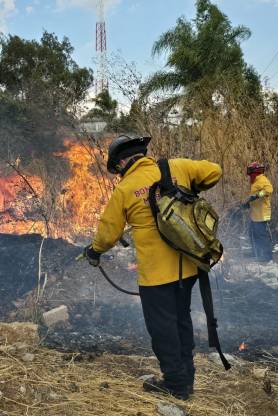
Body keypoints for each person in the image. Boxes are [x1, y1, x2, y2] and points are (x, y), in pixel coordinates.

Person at [83, 135, 222, 400]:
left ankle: (176, 384)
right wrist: (190, 187)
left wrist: (94, 251)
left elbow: (108, 234)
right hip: (188, 267)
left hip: (156, 276)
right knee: (181, 318)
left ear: (121, 163)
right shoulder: (176, 167)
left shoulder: (125, 189)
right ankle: (187, 377)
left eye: (117, 168)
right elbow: (214, 171)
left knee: (162, 328)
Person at [244, 162, 273, 261]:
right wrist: (248, 204)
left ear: (254, 171)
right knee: (252, 234)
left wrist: (257, 195)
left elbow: (269, 190)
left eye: (250, 170)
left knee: (262, 236)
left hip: (262, 214)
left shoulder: (262, 179)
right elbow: (253, 197)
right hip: (255, 214)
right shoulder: (255, 181)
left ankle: (267, 257)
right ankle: (256, 253)